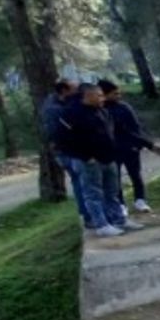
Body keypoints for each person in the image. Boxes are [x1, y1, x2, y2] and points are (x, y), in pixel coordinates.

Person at [56, 83, 144, 237]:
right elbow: (63, 140)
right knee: (93, 193)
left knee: (112, 191)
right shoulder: (71, 113)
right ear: (88, 96)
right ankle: (101, 225)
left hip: (108, 158)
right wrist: (85, 156)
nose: (102, 98)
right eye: (99, 95)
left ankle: (119, 220)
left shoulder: (103, 111)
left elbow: (114, 132)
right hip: (88, 161)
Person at [99, 80, 160, 213]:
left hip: (130, 147)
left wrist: (144, 143)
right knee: (115, 178)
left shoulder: (124, 107)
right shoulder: (101, 110)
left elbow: (136, 128)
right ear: (105, 94)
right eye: (115, 93)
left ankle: (140, 200)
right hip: (112, 150)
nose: (119, 96)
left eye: (119, 93)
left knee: (135, 174)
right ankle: (120, 204)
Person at [40, 80, 88, 222]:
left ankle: (85, 214)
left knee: (78, 181)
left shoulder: (54, 105)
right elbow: (61, 132)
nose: (78, 91)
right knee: (81, 181)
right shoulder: (56, 110)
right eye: (75, 89)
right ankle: (87, 215)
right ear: (64, 91)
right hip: (66, 151)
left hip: (63, 150)